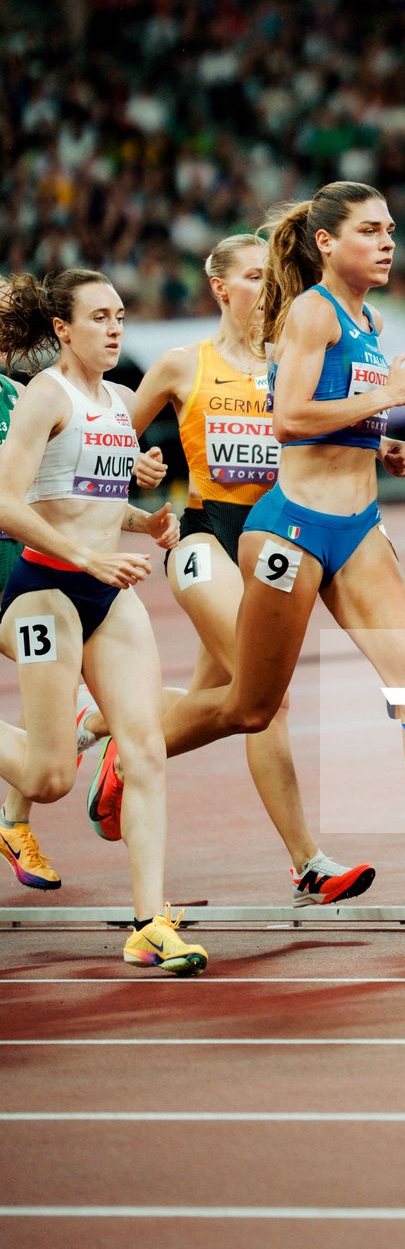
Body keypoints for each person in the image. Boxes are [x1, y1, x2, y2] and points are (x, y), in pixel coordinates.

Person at [160, 181, 405, 911]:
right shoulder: (311, 311)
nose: (387, 243)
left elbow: (337, 414)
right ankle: (119, 736)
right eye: (369, 231)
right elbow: (290, 419)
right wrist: (387, 398)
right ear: (326, 243)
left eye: (390, 229)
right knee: (251, 708)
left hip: (358, 530)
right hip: (291, 529)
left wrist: (378, 441)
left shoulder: (370, 318)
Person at [80, 234, 375, 905]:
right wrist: (133, 464)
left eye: (273, 276)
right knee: (266, 698)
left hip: (275, 543)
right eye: (253, 276)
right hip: (204, 538)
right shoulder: (183, 365)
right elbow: (98, 440)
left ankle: (114, 731)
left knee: (228, 702)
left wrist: (377, 448)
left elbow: (322, 435)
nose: (269, 287)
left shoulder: (292, 362)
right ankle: (308, 864)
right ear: (220, 288)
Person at [0, 269, 207, 974]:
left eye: (119, 315)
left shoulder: (119, 401)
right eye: (99, 317)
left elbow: (86, 495)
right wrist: (86, 555)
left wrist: (144, 521)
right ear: (62, 329)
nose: (115, 327)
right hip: (46, 591)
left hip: (106, 593)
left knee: (144, 748)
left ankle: (150, 923)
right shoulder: (43, 395)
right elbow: (8, 501)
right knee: (49, 776)